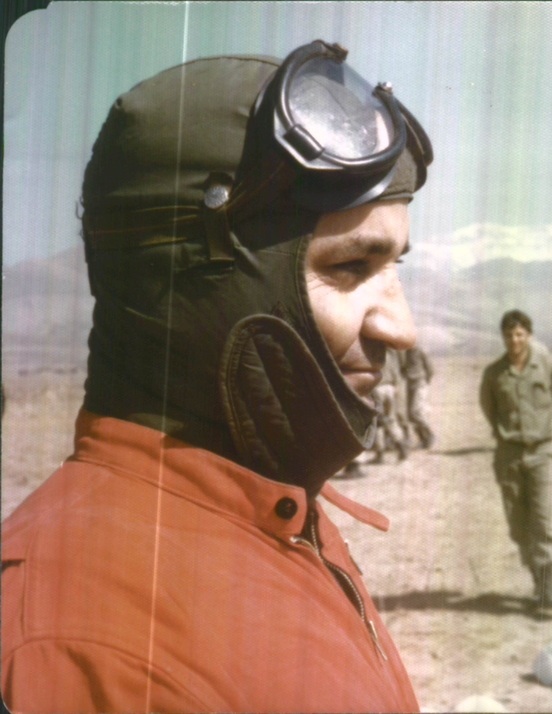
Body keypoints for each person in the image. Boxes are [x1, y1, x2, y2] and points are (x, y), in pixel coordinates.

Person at [1, 41, 433, 712]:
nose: (402, 329)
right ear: (202, 282)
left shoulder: (275, 508)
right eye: (351, 267)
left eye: (393, 266)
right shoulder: (85, 644)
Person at [479, 309, 552, 614]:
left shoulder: (546, 365)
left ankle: (547, 589)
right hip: (509, 455)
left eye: (519, 334)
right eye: (509, 335)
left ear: (528, 335)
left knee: (542, 520)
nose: (514, 340)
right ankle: (536, 582)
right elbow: (490, 409)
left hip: (542, 453)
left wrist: (544, 434)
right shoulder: (494, 374)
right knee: (519, 524)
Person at [370, 348, 409, 463]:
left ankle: (380, 454)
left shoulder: (370, 350)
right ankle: (401, 446)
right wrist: (396, 384)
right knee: (391, 419)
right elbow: (396, 369)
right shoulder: (390, 351)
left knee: (377, 422)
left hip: (377, 388)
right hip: (390, 387)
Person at [401, 344, 436, 449]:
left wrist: (425, 382)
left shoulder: (421, 350)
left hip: (420, 383)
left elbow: (430, 369)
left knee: (415, 412)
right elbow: (404, 368)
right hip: (410, 384)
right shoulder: (406, 352)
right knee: (410, 415)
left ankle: (429, 435)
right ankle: (423, 439)